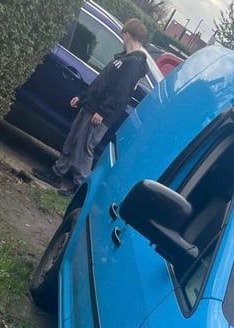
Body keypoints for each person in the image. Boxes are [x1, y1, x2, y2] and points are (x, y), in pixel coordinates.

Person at [33, 18, 149, 197]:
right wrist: (82, 96)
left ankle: (80, 188)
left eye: (123, 35)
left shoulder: (134, 64)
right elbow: (102, 82)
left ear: (128, 35)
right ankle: (57, 173)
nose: (122, 38)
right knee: (73, 139)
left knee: (85, 147)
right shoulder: (124, 58)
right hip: (91, 105)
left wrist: (103, 111)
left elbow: (120, 93)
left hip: (100, 112)